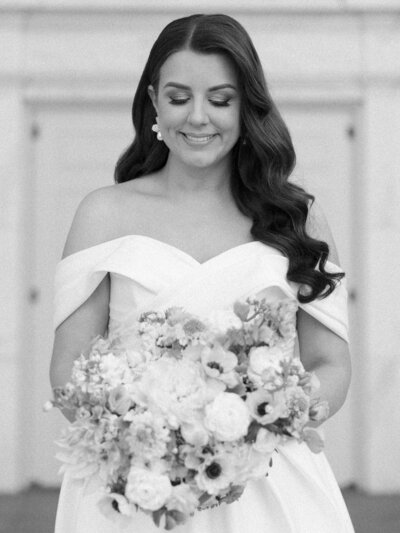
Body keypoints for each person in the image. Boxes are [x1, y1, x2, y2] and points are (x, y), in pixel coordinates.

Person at [50, 13, 354, 533]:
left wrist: (256, 421)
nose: (197, 118)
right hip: (137, 490)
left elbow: (331, 364)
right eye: (178, 97)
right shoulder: (102, 213)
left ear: (246, 106)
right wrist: (151, 445)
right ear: (153, 102)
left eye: (220, 99)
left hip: (271, 485)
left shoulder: (296, 217)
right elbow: (67, 371)